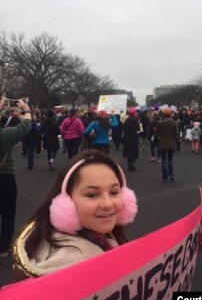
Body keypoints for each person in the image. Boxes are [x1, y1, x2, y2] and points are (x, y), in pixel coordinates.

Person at [13, 149, 138, 279]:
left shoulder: (92, 236)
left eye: (114, 192)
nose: (107, 204)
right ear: (66, 204)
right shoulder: (76, 264)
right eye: (92, 195)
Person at [0, 98, 32, 258]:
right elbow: (26, 126)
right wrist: (26, 110)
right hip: (4, 175)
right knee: (7, 213)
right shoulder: (5, 135)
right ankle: (4, 247)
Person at [155, 108, 180, 183]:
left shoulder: (160, 123)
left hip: (163, 143)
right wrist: (178, 145)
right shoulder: (173, 123)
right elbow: (176, 135)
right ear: (170, 114)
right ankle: (171, 174)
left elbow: (156, 134)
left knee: (164, 160)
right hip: (171, 144)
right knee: (170, 159)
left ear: (163, 114)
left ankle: (165, 176)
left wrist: (154, 142)